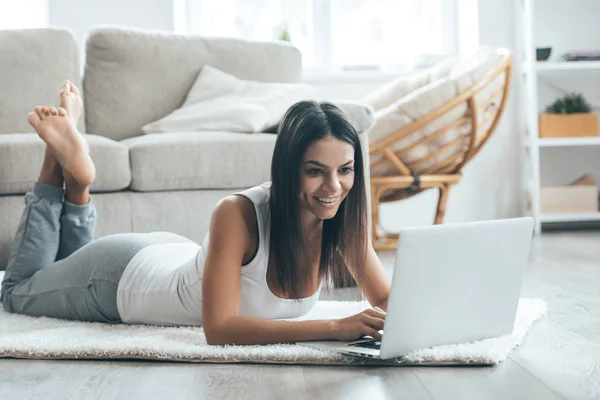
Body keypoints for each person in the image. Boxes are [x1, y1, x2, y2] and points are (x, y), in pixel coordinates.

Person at [1, 81, 390, 346]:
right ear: (289, 168)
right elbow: (218, 329)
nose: (334, 188)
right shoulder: (238, 213)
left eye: (345, 170)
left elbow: (387, 299)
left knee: (61, 265)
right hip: (117, 281)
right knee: (17, 292)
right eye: (315, 171)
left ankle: (79, 183)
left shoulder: (341, 218)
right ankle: (57, 161)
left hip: (167, 255)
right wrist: (336, 326)